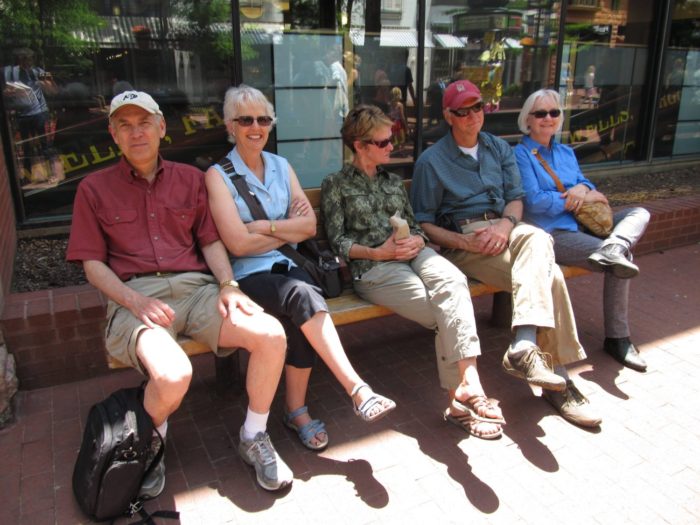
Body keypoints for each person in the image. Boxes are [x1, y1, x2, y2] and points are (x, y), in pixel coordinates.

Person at [66, 90, 293, 494]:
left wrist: (227, 285)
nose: (137, 134)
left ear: (162, 128)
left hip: (197, 290)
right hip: (136, 296)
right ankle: (150, 444)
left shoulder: (190, 178)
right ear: (113, 135)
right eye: (126, 126)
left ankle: (254, 435)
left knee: (271, 335)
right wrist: (134, 301)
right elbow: (92, 264)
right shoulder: (93, 189)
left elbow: (209, 241)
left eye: (145, 123)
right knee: (173, 376)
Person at [205, 86, 396, 451]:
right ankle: (356, 389)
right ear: (231, 126)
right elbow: (237, 245)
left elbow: (308, 228)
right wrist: (283, 229)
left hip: (289, 263)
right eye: (245, 119)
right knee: (301, 295)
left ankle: (296, 410)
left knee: (299, 314)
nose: (255, 126)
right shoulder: (218, 175)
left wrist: (263, 228)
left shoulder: (281, 165)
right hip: (248, 275)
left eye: (263, 119)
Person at [411, 80, 601, 428]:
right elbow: (422, 223)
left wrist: (505, 225)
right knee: (552, 275)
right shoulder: (432, 161)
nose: (472, 117)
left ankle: (527, 346)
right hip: (466, 240)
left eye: (478, 107)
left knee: (538, 238)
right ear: (448, 115)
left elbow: (516, 197)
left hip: (506, 228)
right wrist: (463, 241)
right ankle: (556, 378)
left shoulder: (498, 148)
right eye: (462, 111)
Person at [322, 105, 505, 440]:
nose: (392, 147)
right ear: (360, 146)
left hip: (412, 255)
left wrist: (417, 242)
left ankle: (469, 384)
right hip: (374, 268)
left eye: (392, 139)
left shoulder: (392, 182)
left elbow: (418, 227)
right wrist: (380, 251)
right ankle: (458, 403)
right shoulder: (336, 185)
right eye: (383, 142)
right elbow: (339, 242)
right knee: (444, 309)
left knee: (453, 281)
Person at [515, 89, 650, 372]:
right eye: (540, 113)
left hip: (583, 226)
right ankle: (618, 338)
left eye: (554, 112)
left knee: (640, 213)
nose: (548, 118)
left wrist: (582, 189)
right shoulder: (521, 154)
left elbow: (584, 181)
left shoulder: (565, 152)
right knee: (621, 263)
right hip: (552, 234)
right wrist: (574, 200)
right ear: (527, 119)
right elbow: (535, 201)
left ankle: (614, 247)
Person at [3, 47, 59, 182]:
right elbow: (5, 91)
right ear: (19, 60)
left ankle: (52, 174)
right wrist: (8, 93)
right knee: (26, 147)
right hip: (22, 114)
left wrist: (47, 85)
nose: (27, 62)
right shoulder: (11, 73)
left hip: (40, 112)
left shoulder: (38, 72)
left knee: (46, 145)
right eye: (24, 58)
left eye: (29, 58)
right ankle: (27, 178)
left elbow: (54, 91)